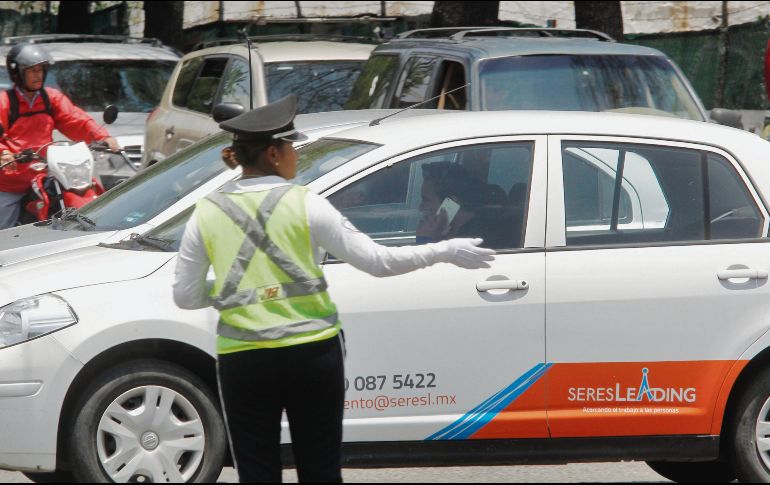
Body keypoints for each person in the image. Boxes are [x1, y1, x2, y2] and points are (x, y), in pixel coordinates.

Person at [172, 94, 496, 483]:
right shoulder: (306, 202)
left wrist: (235, 292)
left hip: (244, 360)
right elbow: (378, 262)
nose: (296, 153)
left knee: (256, 472)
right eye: (291, 145)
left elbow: (186, 296)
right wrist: (444, 250)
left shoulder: (207, 211)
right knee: (320, 469)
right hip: (311, 355)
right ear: (274, 154)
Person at [0, 42, 119, 229]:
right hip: (11, 181)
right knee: (4, 229)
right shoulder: (4, 102)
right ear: (17, 72)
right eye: (32, 70)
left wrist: (102, 137)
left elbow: (75, 119)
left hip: (45, 175)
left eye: (41, 69)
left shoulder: (51, 98)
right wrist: (4, 153)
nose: (38, 74)